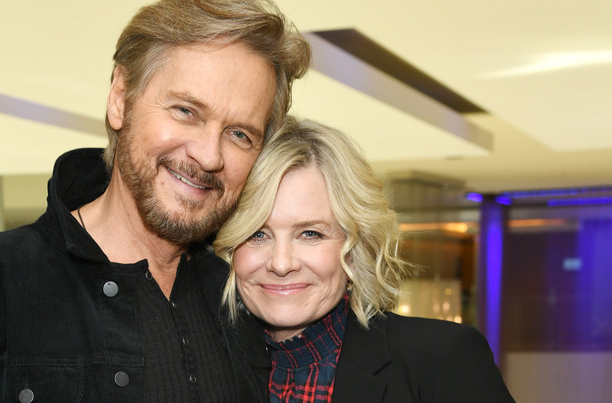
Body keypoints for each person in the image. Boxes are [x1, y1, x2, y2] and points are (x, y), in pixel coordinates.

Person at [0, 0, 310, 402]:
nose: (208, 155)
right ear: (119, 99)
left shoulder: (248, 299)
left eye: (239, 134)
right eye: (186, 111)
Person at [214, 117, 516, 403]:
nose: (281, 263)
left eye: (310, 234)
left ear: (356, 248)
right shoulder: (209, 367)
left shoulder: (442, 358)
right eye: (257, 234)